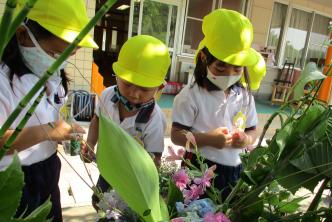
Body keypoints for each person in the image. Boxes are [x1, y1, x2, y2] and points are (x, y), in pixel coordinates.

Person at [0, 0, 98, 222]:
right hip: (11, 182)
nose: (61, 62)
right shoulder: (4, 81)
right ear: (23, 35)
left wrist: (62, 134)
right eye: (56, 53)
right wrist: (47, 130)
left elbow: (52, 116)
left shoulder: (51, 77)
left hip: (45, 173)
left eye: (69, 55)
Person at [171, 9, 266, 199]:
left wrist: (245, 140)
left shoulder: (244, 96)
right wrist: (208, 139)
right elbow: (176, 136)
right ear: (204, 59)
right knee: (193, 218)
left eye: (237, 67)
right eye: (221, 66)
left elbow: (252, 130)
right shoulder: (191, 95)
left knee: (222, 218)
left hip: (234, 169)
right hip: (198, 169)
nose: (229, 74)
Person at [81, 35, 170, 209]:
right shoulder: (107, 95)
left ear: (159, 88)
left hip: (134, 179)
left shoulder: (154, 118)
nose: (134, 93)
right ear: (117, 76)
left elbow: (155, 160)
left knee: (122, 213)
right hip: (108, 168)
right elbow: (97, 120)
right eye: (128, 84)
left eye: (144, 89)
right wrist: (90, 143)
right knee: (99, 202)